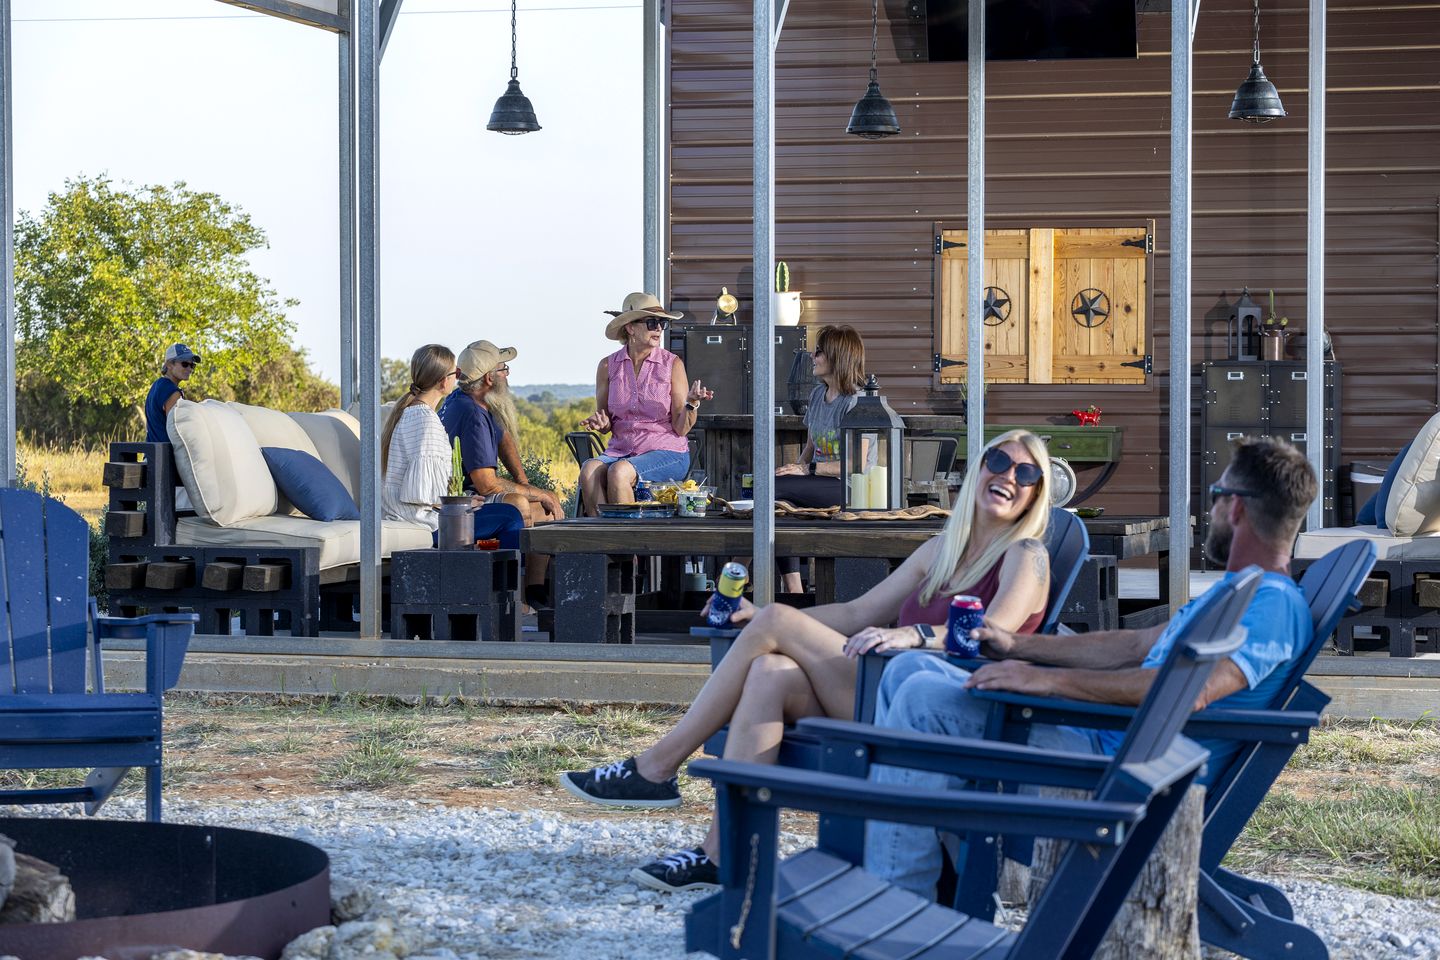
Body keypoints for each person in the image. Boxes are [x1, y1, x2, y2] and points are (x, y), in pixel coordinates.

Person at [561, 430, 1054, 893]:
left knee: (776, 621)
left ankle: (656, 766)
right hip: (888, 693)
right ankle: (721, 853)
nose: (1009, 477)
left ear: (1036, 493)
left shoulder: (1025, 555)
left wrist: (914, 634)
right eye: (998, 461)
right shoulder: (942, 549)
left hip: (942, 710)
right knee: (770, 670)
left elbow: (996, 635)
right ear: (980, 470)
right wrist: (757, 619)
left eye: (1026, 474)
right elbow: (857, 613)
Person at [864, 435, 1316, 900]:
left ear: (1236, 509)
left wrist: (1045, 682)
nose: (1212, 509)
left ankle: (897, 899)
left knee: (922, 701)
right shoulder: (1238, 592)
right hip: (1112, 740)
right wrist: (1018, 646)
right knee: (910, 670)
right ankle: (939, 877)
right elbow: (1133, 644)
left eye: (1217, 496)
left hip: (1123, 766)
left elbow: (1189, 689)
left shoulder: (1271, 605)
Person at [441, 339, 563, 605]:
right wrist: (536, 493)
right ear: (489, 379)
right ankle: (510, 596)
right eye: (504, 369)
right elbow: (486, 484)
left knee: (543, 509)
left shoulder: (466, 399)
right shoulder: (473, 414)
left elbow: (503, 437)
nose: (508, 375)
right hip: (463, 503)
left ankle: (533, 590)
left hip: (467, 496)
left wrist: (526, 483)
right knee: (520, 504)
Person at [578, 292, 713, 515]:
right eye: (652, 323)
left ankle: (631, 545)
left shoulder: (672, 364)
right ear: (630, 328)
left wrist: (692, 403)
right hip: (622, 451)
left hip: (667, 452)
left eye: (663, 323)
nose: (659, 329)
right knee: (589, 469)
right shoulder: (607, 366)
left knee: (620, 472)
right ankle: (606, 540)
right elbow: (607, 422)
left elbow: (681, 428)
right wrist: (601, 424)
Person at [773, 324, 866, 592]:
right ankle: (794, 590)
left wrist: (807, 471)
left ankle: (739, 573)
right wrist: (793, 468)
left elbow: (855, 464)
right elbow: (810, 448)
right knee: (777, 501)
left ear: (837, 356)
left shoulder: (855, 402)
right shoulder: (817, 395)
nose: (812, 357)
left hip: (846, 486)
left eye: (819, 352)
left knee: (772, 490)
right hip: (817, 482)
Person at [380, 344, 465, 537]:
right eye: (456, 373)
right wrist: (463, 503)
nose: (457, 378)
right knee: (509, 516)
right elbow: (423, 494)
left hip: (412, 514)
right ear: (444, 381)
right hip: (425, 521)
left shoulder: (412, 413)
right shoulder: (425, 420)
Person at [145, 343, 200, 442]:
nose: (190, 369)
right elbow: (178, 431)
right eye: (185, 364)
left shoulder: (157, 385)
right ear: (169, 364)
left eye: (192, 365)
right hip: (164, 455)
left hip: (152, 454)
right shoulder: (171, 391)